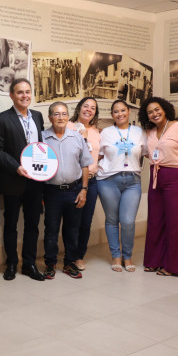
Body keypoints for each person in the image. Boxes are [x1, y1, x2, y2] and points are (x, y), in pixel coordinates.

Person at [140, 97, 178, 276]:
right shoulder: (149, 131)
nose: (154, 114)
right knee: (155, 220)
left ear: (165, 109)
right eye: (150, 112)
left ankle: (174, 266)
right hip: (155, 176)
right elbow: (147, 153)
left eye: (157, 109)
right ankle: (154, 261)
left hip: (177, 178)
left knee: (176, 223)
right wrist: (159, 161)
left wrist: (177, 166)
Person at [0, 78, 46, 282]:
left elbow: (41, 148)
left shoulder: (39, 117)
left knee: (33, 224)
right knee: (11, 224)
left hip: (36, 181)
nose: (25, 96)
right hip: (13, 179)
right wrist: (17, 167)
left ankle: (29, 264)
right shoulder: (1, 119)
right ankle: (12, 264)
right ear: (12, 95)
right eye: (20, 92)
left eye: (27, 92)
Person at [42, 102, 92, 280]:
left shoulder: (77, 137)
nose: (61, 118)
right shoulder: (42, 138)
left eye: (64, 114)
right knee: (51, 229)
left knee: (72, 229)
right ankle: (50, 264)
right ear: (50, 118)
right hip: (51, 192)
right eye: (56, 114)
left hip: (74, 190)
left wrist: (84, 189)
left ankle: (70, 263)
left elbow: (85, 164)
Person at [97, 100, 146, 272]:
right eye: (116, 112)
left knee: (127, 221)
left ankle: (127, 256)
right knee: (112, 220)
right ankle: (116, 256)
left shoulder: (139, 132)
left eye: (123, 110)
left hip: (132, 181)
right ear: (112, 115)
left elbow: (148, 153)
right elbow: (96, 154)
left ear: (129, 111)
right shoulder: (105, 133)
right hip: (108, 180)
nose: (120, 114)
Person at [67, 97, 100, 270]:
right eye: (85, 106)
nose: (88, 110)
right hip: (72, 181)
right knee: (72, 221)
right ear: (79, 108)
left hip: (92, 182)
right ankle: (69, 255)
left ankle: (79, 256)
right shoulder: (67, 126)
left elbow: (99, 156)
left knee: (85, 222)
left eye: (93, 108)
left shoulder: (96, 133)